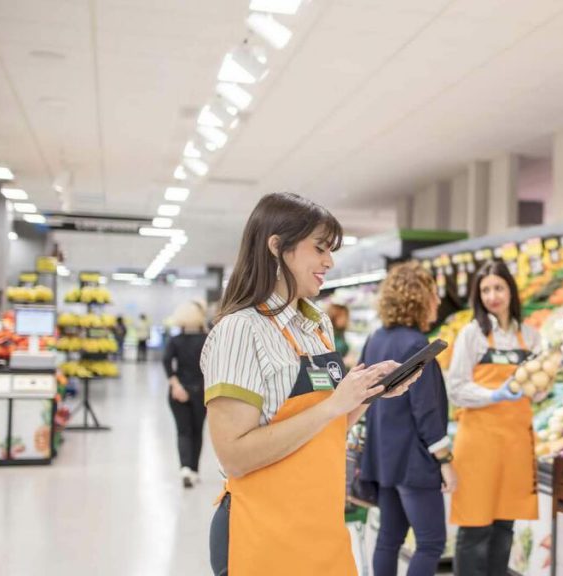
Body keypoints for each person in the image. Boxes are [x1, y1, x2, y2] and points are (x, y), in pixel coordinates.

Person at [202, 192, 419, 576]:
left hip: (321, 529)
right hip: (263, 535)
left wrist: (367, 395)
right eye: (319, 248)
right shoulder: (239, 331)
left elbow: (324, 430)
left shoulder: (315, 324)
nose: (329, 262)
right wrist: (334, 405)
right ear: (277, 247)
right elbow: (234, 456)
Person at [360, 262, 456, 576]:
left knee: (389, 538)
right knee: (430, 542)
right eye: (433, 294)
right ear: (418, 298)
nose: (438, 302)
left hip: (383, 457)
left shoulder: (375, 339)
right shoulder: (417, 346)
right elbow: (426, 411)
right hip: (414, 460)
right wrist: (445, 460)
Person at [447, 260, 540, 576]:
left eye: (498, 287)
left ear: (510, 290)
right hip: (478, 442)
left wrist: (547, 377)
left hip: (515, 443)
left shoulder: (530, 336)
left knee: (505, 525)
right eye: (485, 289)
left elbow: (538, 393)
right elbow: (456, 388)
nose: (492, 295)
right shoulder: (471, 335)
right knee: (475, 528)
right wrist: (492, 395)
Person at [162, 300, 209, 488]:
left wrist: (176, 385)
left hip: (178, 391)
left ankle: (185, 468)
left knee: (183, 431)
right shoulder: (207, 339)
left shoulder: (175, 340)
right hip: (201, 391)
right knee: (197, 431)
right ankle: (195, 470)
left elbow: (167, 363)